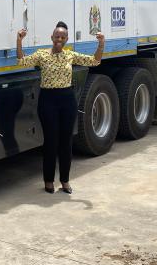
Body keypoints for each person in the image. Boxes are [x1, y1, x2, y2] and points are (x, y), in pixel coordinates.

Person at [17, 22, 104, 194]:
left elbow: (95, 61)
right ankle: (48, 180)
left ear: (66, 39)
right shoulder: (42, 55)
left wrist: (101, 43)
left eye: (63, 37)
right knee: (51, 141)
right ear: (51, 37)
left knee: (66, 142)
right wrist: (19, 41)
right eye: (57, 36)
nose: (59, 39)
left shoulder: (70, 55)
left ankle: (65, 180)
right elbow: (22, 62)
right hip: (48, 100)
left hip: (67, 100)